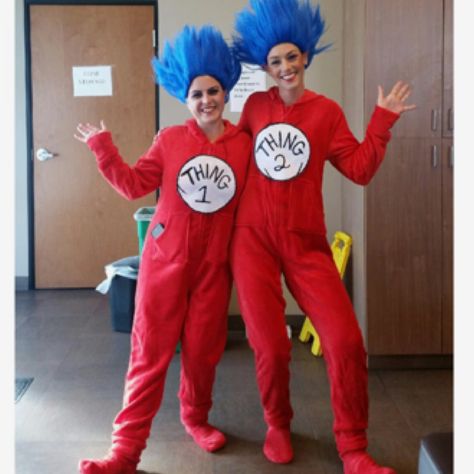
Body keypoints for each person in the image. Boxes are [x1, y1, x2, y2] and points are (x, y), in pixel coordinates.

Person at [229, 1, 416, 473]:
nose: (285, 67)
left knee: (346, 341)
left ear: (306, 56)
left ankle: (353, 446)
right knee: (270, 344)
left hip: (305, 241)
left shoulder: (326, 112)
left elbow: (359, 169)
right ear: (266, 68)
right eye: (275, 61)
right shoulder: (254, 106)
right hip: (252, 240)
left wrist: (381, 121)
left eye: (292, 57)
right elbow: (231, 157)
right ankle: (277, 424)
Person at [73, 24, 250, 474]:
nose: (206, 100)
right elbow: (134, 185)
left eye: (213, 91)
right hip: (165, 266)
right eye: (196, 94)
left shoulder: (243, 146)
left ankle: (196, 418)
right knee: (148, 355)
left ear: (225, 92)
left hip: (214, 269)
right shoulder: (170, 140)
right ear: (185, 99)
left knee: (203, 352)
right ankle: (124, 452)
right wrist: (103, 148)